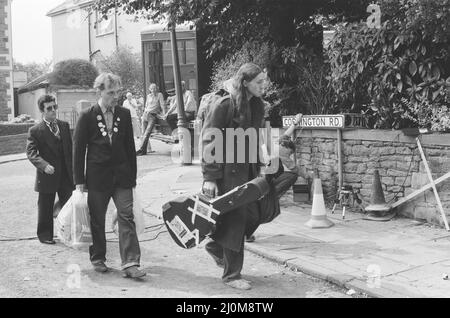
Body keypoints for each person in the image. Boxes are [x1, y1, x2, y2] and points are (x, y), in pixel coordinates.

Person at [201, 63, 267, 290]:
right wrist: (209, 178)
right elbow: (209, 139)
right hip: (227, 172)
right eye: (259, 82)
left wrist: (261, 161)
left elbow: (254, 137)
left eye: (263, 81)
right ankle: (232, 276)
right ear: (245, 82)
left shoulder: (256, 104)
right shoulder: (224, 104)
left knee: (254, 215)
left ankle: (217, 248)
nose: (263, 86)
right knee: (236, 221)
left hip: (248, 171)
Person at [73, 73, 145, 278]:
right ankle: (98, 258)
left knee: (126, 216)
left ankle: (131, 263)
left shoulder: (123, 114)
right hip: (97, 178)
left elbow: (130, 148)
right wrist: (79, 180)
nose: (115, 96)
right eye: (110, 92)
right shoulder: (87, 116)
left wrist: (133, 176)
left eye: (117, 92)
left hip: (122, 177)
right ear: (99, 92)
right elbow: (78, 150)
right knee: (97, 219)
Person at [26, 95, 74, 244]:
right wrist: (43, 165)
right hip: (47, 174)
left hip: (66, 174)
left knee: (68, 206)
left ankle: (69, 234)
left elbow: (71, 150)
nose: (53, 110)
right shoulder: (35, 130)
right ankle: (45, 235)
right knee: (46, 206)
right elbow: (31, 152)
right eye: (49, 108)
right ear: (42, 111)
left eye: (55, 107)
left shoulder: (64, 126)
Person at [136, 83, 165, 156]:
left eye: (155, 88)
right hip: (145, 114)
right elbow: (146, 106)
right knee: (143, 133)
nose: (153, 90)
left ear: (157, 88)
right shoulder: (148, 96)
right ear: (150, 89)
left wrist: (164, 114)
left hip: (152, 116)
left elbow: (162, 105)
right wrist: (143, 114)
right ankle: (143, 150)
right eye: (152, 89)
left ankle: (141, 150)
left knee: (147, 133)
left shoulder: (159, 95)